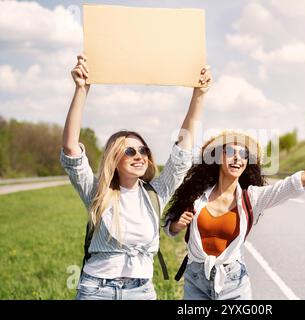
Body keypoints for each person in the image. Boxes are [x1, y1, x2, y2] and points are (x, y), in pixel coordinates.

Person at [164, 131, 305, 300]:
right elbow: (169, 226)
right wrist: (176, 226)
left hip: (232, 282)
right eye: (230, 152)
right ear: (218, 157)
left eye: (243, 155)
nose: (237, 158)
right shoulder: (196, 196)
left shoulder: (252, 198)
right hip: (195, 279)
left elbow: (298, 180)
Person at [60, 53, 212, 300]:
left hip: (140, 290)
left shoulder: (156, 193)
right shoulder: (97, 192)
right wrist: (81, 89)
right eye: (129, 151)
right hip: (96, 289)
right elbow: (70, 150)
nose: (139, 155)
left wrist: (199, 95)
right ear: (114, 158)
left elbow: (182, 150)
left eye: (143, 150)